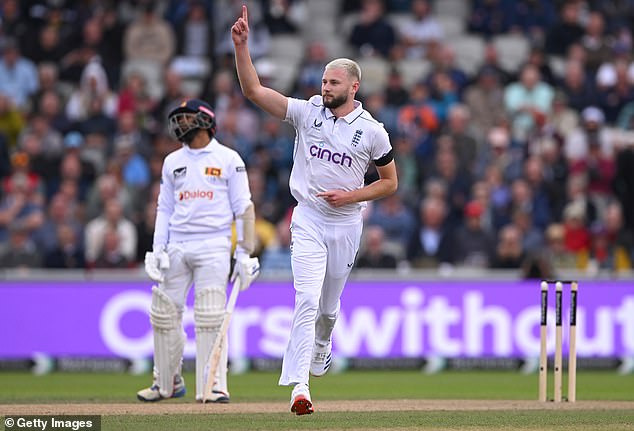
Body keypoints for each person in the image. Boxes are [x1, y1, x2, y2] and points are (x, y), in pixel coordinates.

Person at [231, 5, 398, 415]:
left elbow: (390, 182)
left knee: (327, 308)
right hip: (306, 218)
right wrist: (241, 47)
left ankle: (323, 343)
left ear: (353, 86)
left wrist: (352, 197)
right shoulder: (308, 114)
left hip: (345, 223)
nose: (325, 87)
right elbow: (255, 92)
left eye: (333, 82)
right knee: (305, 299)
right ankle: (300, 388)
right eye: (323, 80)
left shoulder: (372, 132)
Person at [136, 98, 260, 403]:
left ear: (205, 120)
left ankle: (214, 384)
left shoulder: (229, 159)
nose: (180, 124)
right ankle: (167, 383)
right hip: (177, 243)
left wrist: (244, 253)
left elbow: (243, 208)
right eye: (178, 118)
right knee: (164, 313)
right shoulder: (171, 162)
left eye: (187, 117)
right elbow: (164, 208)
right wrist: (157, 249)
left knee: (210, 314)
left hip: (214, 244)